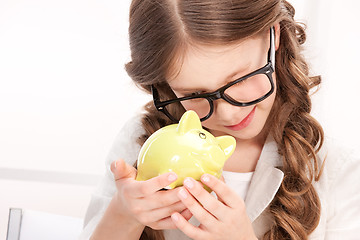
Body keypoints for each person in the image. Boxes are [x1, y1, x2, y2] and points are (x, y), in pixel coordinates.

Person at [79, 0, 360, 239]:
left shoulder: (338, 171)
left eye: (241, 79)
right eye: (195, 93)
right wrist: (124, 214)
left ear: (274, 35)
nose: (228, 113)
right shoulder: (141, 142)